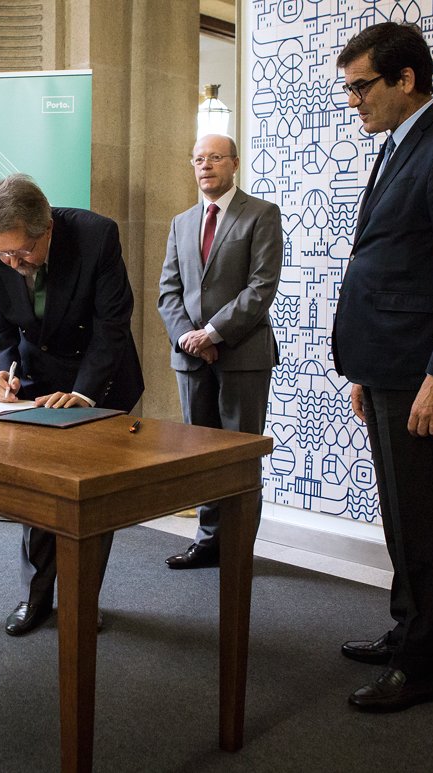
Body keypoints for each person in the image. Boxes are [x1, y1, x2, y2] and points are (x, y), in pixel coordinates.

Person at [332, 22, 433, 712]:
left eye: (361, 86)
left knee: (423, 516)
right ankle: (406, 632)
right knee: (401, 512)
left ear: (406, 79)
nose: (354, 101)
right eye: (348, 89)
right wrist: (366, 371)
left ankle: (423, 663)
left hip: (420, 372)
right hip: (386, 365)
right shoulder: (399, 146)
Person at [0, 173, 144, 636]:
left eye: (22, 253)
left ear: (46, 228)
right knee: (38, 496)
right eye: (3, 254)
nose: (13, 264)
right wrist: (3, 371)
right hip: (39, 383)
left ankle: (81, 601)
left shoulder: (96, 236)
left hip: (100, 379)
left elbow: (112, 325)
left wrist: (85, 394)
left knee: (91, 503)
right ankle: (35, 599)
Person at [157, 134, 283, 569]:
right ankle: (208, 542)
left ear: (234, 163)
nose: (205, 166)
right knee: (202, 455)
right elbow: (168, 291)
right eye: (198, 159)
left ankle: (237, 550)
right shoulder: (181, 222)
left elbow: (261, 287)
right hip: (191, 360)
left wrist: (212, 334)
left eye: (214, 158)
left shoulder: (261, 214)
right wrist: (188, 339)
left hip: (243, 356)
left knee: (239, 457)